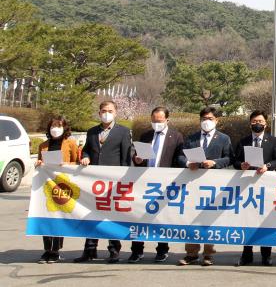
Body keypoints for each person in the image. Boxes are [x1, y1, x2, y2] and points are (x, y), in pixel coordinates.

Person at [74, 101, 132, 264]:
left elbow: (126, 158)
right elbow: (87, 149)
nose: (107, 113)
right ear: (99, 113)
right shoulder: (92, 131)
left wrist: (123, 181)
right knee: (91, 216)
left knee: (111, 217)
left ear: (116, 112)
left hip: (114, 182)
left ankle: (114, 251)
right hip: (94, 182)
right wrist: (85, 156)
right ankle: (89, 250)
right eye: (104, 111)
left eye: (110, 111)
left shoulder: (123, 131)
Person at [176, 107, 233, 267]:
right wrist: (188, 163)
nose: (206, 121)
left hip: (213, 184)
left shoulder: (223, 138)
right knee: (191, 218)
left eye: (210, 118)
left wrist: (215, 162)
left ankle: (208, 254)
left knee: (209, 219)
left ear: (216, 120)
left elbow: (229, 158)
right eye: (203, 118)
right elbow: (180, 156)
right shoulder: (192, 138)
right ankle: (191, 254)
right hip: (193, 184)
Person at [128, 106, 185, 264]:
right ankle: (137, 250)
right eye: (153, 120)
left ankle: (162, 250)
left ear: (167, 119)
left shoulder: (176, 136)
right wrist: (137, 160)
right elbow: (137, 156)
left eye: (159, 120)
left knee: (162, 218)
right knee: (139, 216)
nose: (156, 123)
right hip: (144, 183)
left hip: (165, 183)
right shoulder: (145, 135)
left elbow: (179, 159)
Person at [233, 110, 276, 267]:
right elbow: (235, 160)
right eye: (254, 121)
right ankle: (246, 254)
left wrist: (267, 166)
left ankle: (266, 255)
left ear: (266, 123)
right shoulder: (243, 141)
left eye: (260, 121)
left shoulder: (273, 141)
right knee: (247, 220)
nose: (257, 124)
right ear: (250, 123)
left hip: (266, 186)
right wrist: (241, 165)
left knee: (265, 221)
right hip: (247, 187)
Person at [34, 116, 80, 263]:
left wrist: (66, 164)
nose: (55, 129)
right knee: (45, 215)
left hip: (63, 184)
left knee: (59, 216)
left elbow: (77, 163)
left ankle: (55, 250)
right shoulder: (43, 145)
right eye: (52, 126)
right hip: (46, 185)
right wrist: (39, 163)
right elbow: (40, 162)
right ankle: (46, 249)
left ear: (65, 128)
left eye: (58, 126)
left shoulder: (70, 143)